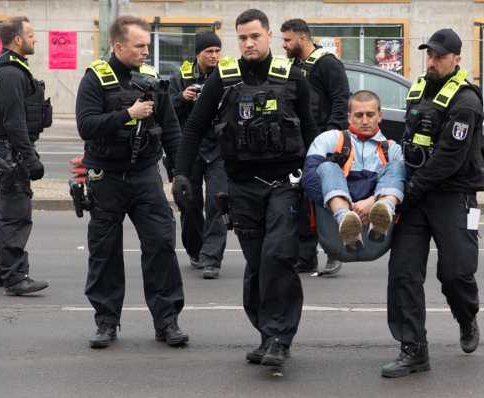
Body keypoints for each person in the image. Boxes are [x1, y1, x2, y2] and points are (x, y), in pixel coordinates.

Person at [172, 9, 317, 368]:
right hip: (241, 187)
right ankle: (267, 333)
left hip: (286, 184)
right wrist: (180, 175)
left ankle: (281, 337)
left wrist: (319, 183)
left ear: (269, 36)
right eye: (242, 38)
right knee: (255, 265)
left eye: (255, 36)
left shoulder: (294, 77)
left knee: (277, 257)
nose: (249, 43)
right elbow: (193, 129)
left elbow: (314, 134)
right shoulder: (223, 79)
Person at [75, 15, 188, 349]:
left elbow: (170, 129)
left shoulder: (152, 80)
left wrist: (179, 173)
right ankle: (106, 322)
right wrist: (128, 114)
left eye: (147, 46)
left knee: (161, 246)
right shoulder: (95, 79)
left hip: (144, 177)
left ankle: (167, 321)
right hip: (105, 177)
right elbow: (86, 125)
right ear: (118, 45)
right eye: (139, 46)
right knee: (105, 252)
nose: (145, 51)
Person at [383, 28, 484, 378]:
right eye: (429, 55)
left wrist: (409, 192)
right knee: (403, 273)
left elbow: (448, 159)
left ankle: (466, 316)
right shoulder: (418, 90)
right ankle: (413, 349)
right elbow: (408, 140)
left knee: (456, 273)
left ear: (456, 58)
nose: (432, 61)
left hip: (452, 195)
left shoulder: (466, 101)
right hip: (416, 196)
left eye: (440, 56)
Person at [0, 16, 50, 296]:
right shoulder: (10, 73)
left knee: (0, 212)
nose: (35, 39)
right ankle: (15, 277)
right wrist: (30, 158)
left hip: (4, 150)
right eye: (31, 35)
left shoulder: (7, 67)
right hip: (10, 152)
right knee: (15, 214)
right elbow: (14, 123)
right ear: (18, 39)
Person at [281, 18, 350, 276]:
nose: (284, 45)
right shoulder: (293, 66)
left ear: (302, 38)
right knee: (301, 202)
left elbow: (341, 102)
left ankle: (335, 252)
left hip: (322, 145)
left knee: (324, 199)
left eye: (288, 40)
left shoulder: (328, 64)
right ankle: (306, 257)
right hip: (297, 143)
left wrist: (330, 141)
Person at [302, 90, 404, 250]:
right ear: (349, 117)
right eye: (359, 115)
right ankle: (345, 219)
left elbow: (406, 183)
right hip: (336, 217)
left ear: (380, 116)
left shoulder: (392, 149)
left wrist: (372, 203)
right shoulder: (329, 139)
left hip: (375, 217)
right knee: (327, 167)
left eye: (370, 115)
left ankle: (383, 211)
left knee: (398, 167)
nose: (364, 121)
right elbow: (309, 178)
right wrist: (350, 208)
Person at [168, 31, 228, 279]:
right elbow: (165, 109)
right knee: (189, 203)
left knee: (218, 200)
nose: (214, 56)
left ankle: (212, 257)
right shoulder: (180, 78)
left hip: (219, 149)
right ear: (198, 54)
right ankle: (196, 250)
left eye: (217, 51)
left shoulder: (227, 76)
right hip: (189, 148)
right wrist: (182, 98)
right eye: (208, 52)